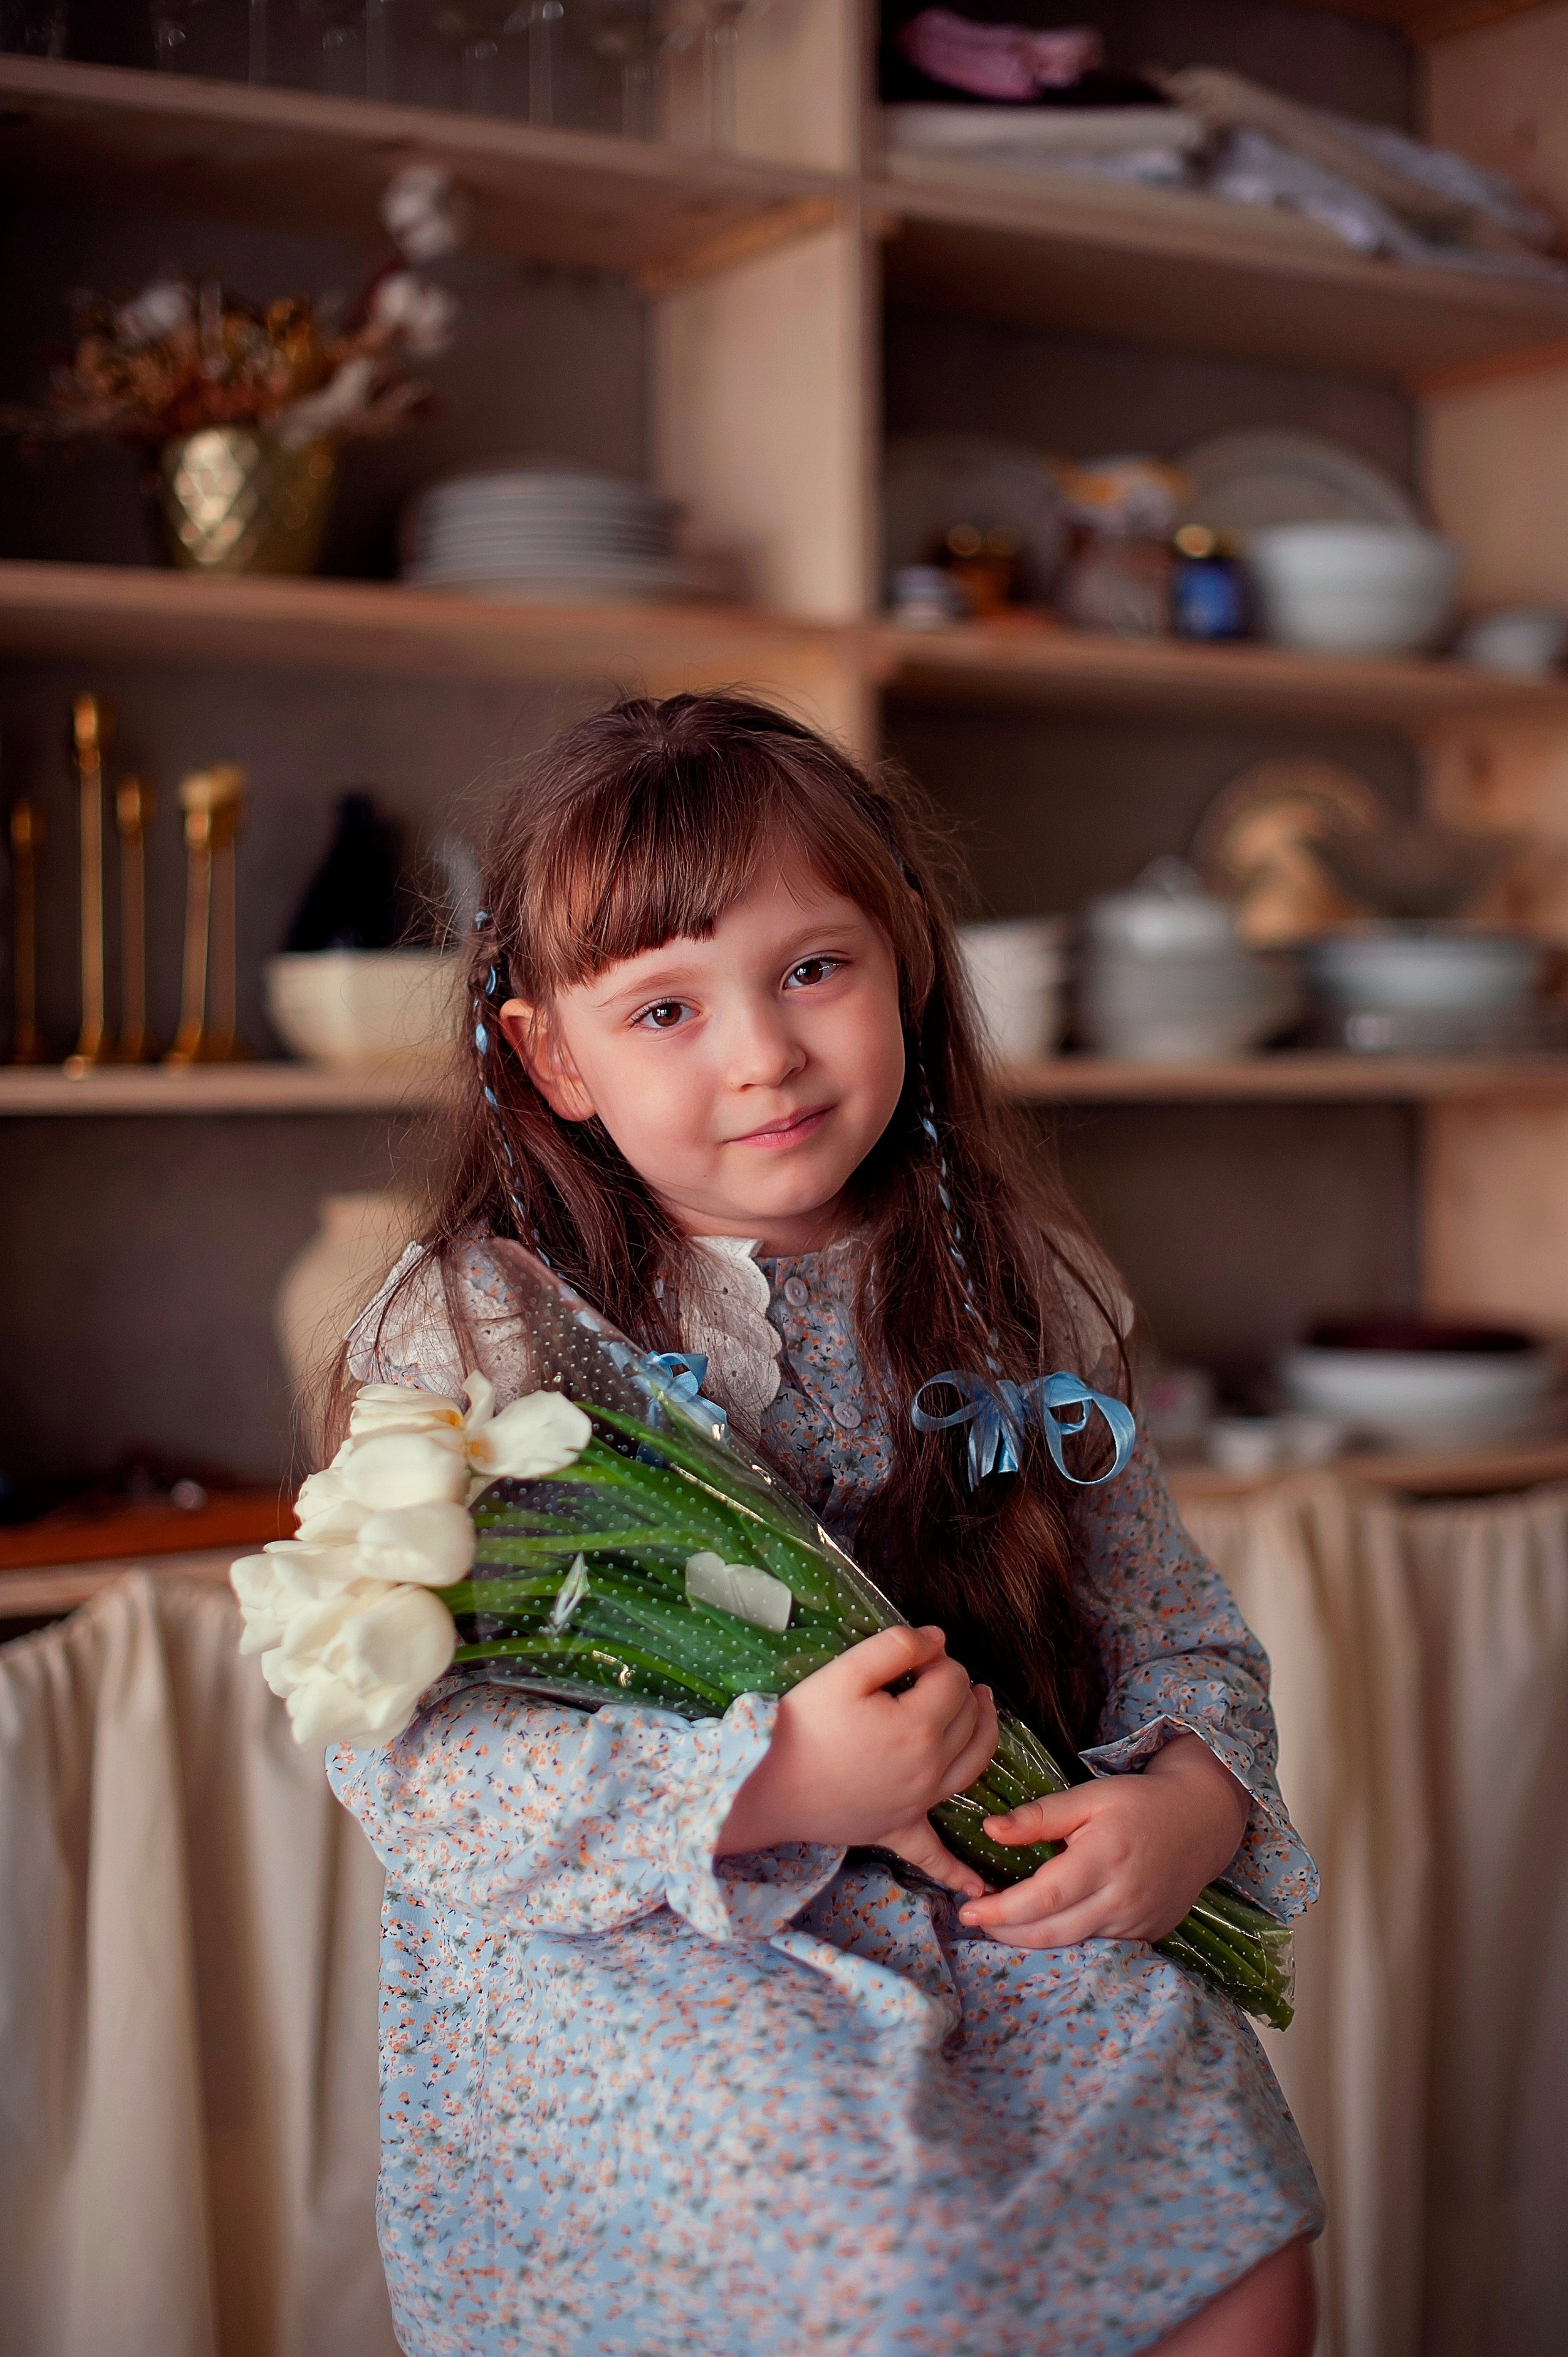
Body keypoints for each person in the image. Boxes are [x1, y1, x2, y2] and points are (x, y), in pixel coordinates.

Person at [329, 692, 1323, 2357]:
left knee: (1236, 2204)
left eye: (813, 970)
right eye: (663, 1008)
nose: (763, 1054)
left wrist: (1193, 1804)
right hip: (656, 1948)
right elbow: (410, 1766)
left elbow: (1171, 1624)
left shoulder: (1013, 1294)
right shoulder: (481, 1339)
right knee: (891, 2269)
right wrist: (773, 1782)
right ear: (550, 1058)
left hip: (987, 1906)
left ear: (910, 963)